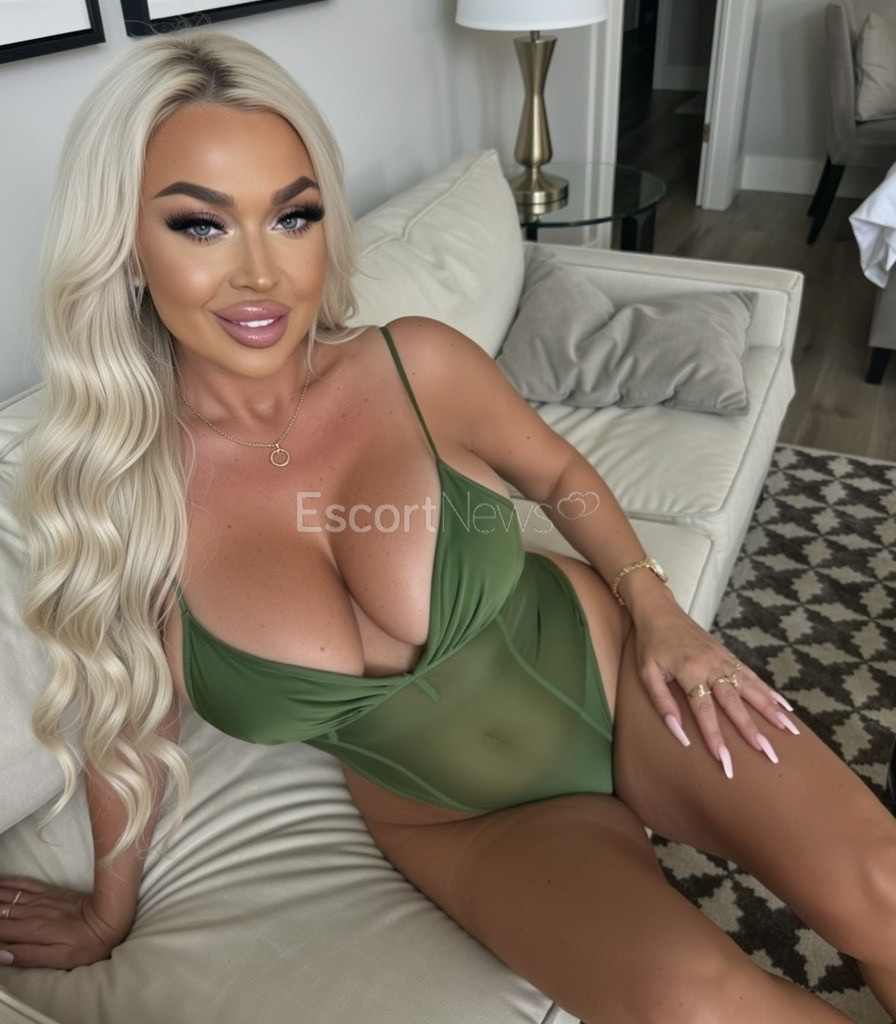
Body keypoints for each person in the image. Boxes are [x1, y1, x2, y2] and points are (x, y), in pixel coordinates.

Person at [1, 31, 894, 1023]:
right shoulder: (122, 497)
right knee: (698, 1007)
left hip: (620, 684)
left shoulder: (413, 364)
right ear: (125, 248)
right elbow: (129, 719)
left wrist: (660, 614)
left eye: (293, 215)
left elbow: (557, 473)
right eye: (200, 226)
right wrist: (108, 912)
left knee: (882, 885)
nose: (261, 272)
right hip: (462, 819)